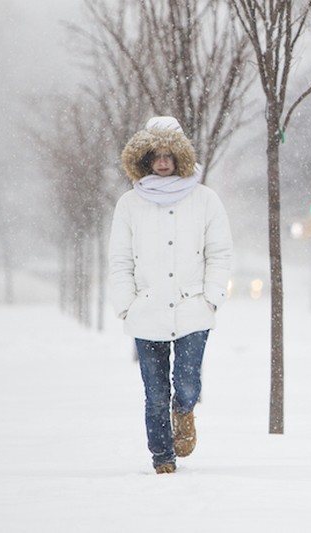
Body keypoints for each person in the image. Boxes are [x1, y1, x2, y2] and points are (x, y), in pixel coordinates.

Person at [108, 116, 232, 474]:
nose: (163, 162)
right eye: (155, 155)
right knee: (155, 392)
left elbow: (220, 251)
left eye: (169, 155)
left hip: (193, 307)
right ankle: (162, 457)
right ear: (145, 158)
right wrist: (126, 305)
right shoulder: (129, 204)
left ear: (181, 157)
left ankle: (185, 411)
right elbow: (119, 259)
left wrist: (212, 297)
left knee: (187, 382)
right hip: (146, 311)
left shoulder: (206, 200)